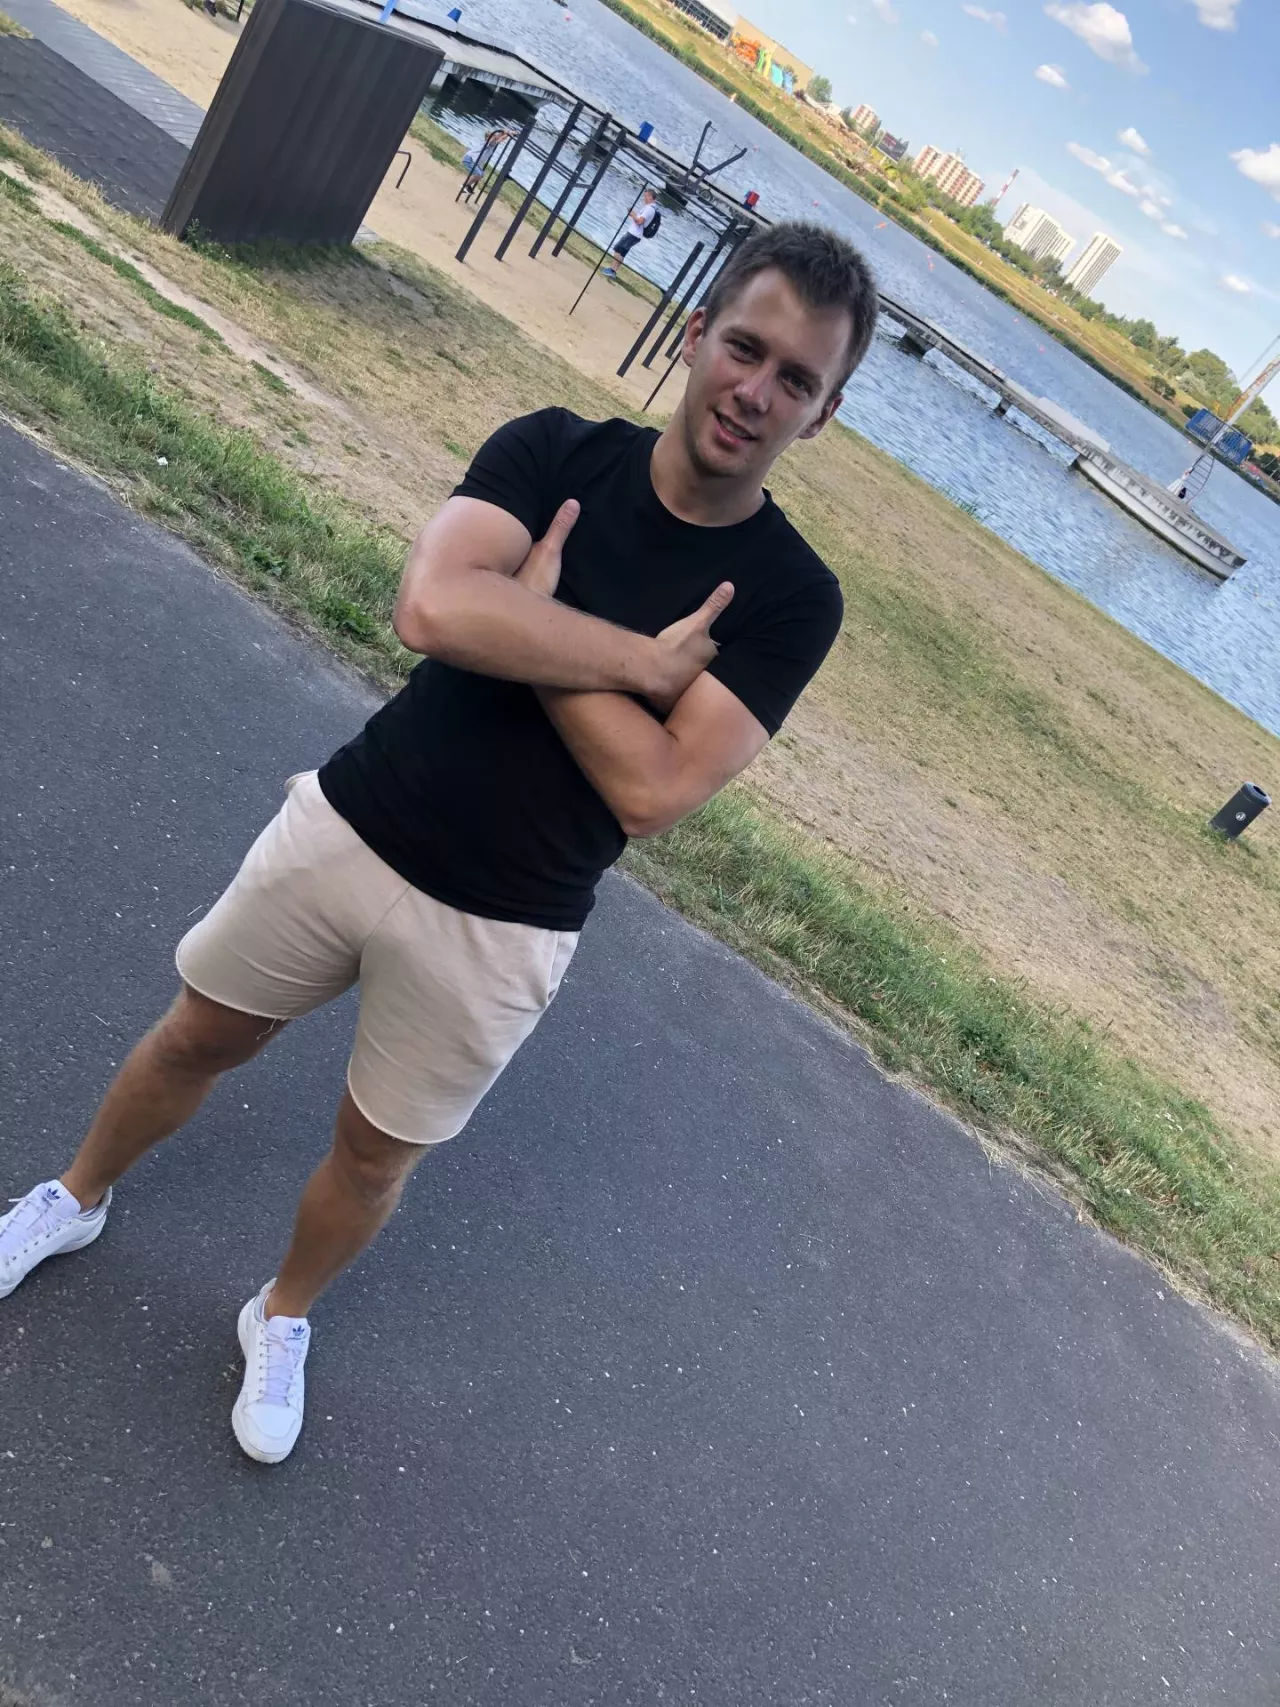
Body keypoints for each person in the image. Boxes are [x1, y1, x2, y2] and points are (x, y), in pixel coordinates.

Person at [0, 222, 879, 1465]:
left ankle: (281, 1314)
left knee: (371, 1160)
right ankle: (74, 1196)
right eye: (744, 348)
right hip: (358, 821)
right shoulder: (554, 450)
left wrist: (531, 620)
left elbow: (652, 788)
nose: (755, 391)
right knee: (199, 1033)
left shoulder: (791, 595)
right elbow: (430, 607)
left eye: (795, 379)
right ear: (694, 337)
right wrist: (634, 664)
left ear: (823, 413)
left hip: (506, 924)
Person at [601, 188, 658, 279]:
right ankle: (613, 271)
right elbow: (640, 220)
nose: (644, 198)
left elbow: (640, 221)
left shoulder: (649, 209)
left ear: (650, 197)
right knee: (622, 252)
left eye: (645, 196)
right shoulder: (651, 208)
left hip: (634, 234)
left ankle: (612, 270)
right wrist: (632, 215)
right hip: (635, 234)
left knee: (618, 249)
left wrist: (633, 214)